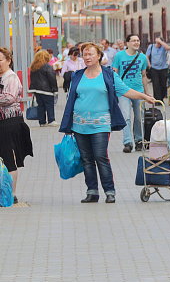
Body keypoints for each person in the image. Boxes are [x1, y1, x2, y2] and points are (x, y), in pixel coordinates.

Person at [58, 42, 156, 203]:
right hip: (79, 125)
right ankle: (92, 191)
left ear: (99, 56)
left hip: (101, 124)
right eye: (85, 54)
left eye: (91, 54)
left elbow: (125, 91)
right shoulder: (78, 75)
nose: (87, 57)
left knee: (100, 156)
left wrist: (145, 96)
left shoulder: (108, 75)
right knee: (86, 159)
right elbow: (71, 100)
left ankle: (109, 191)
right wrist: (68, 124)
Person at [0, 47, 34, 203]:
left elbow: (10, 98)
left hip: (9, 123)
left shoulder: (11, 77)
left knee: (8, 158)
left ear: (8, 60)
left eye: (0, 60)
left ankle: (11, 194)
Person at [112, 34, 151, 153]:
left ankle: (139, 140)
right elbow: (114, 73)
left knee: (140, 117)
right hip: (124, 92)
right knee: (126, 117)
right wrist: (115, 90)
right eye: (133, 40)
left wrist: (147, 93)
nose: (136, 42)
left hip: (138, 91)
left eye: (138, 40)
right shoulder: (119, 56)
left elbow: (144, 76)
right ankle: (128, 142)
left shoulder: (143, 57)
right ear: (127, 43)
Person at [28, 49, 59, 126]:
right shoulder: (47, 66)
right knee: (49, 104)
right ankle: (51, 120)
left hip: (37, 90)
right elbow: (52, 78)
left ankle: (42, 122)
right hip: (46, 90)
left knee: (40, 105)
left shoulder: (34, 66)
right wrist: (55, 89)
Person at [146, 36, 170, 102]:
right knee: (156, 84)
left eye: (159, 43)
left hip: (163, 68)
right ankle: (157, 99)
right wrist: (149, 65)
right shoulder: (151, 47)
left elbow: (168, 48)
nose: (158, 44)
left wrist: (161, 42)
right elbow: (147, 56)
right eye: (157, 43)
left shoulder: (163, 47)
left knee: (163, 84)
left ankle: (162, 97)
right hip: (154, 68)